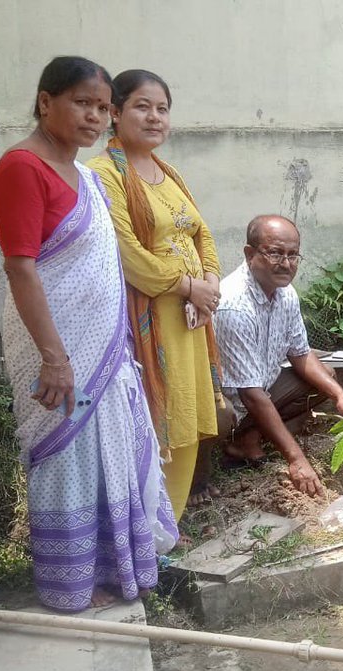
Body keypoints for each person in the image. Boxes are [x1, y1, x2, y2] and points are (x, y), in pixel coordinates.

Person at [0, 56, 178, 612]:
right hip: (58, 351)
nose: (96, 116)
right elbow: (21, 267)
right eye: (82, 103)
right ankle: (71, 583)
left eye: (102, 106)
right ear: (46, 102)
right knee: (68, 456)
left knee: (109, 453)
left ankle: (119, 567)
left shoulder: (84, 173)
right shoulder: (23, 167)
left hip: (104, 349)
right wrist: (55, 358)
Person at [87, 70, 223, 522]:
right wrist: (190, 286)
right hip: (149, 320)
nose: (154, 117)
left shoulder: (169, 172)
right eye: (142, 106)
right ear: (115, 113)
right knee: (153, 422)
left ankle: (169, 526)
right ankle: (144, 532)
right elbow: (130, 256)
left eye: (162, 108)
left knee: (185, 422)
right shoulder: (104, 175)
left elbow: (202, 233)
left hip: (190, 320)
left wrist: (211, 283)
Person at [213, 214, 343, 497]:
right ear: (249, 254)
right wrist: (297, 460)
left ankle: (249, 440)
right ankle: (234, 442)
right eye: (275, 253)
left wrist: (340, 396)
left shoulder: (285, 293)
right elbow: (250, 395)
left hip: (263, 390)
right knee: (232, 412)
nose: (286, 263)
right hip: (230, 405)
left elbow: (301, 354)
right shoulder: (233, 306)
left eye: (293, 255)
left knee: (326, 378)